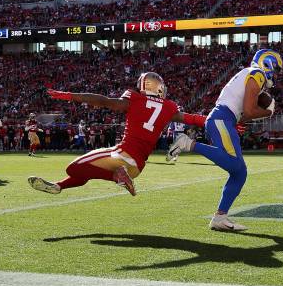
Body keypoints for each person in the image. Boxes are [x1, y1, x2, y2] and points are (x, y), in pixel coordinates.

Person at [28, 72, 206, 196]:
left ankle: (117, 174)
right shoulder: (169, 107)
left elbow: (104, 101)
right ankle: (59, 186)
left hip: (122, 154)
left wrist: (69, 96)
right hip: (137, 167)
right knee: (85, 173)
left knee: (73, 168)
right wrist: (224, 121)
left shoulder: (135, 98)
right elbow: (194, 119)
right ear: (159, 87)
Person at [167, 49, 281, 231]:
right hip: (222, 118)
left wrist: (242, 120)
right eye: (275, 68)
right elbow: (250, 111)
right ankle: (187, 143)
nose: (275, 73)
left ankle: (220, 218)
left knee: (239, 173)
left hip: (225, 119)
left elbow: (243, 113)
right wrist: (268, 112)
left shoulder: (246, 74)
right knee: (236, 166)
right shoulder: (256, 74)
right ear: (268, 63)